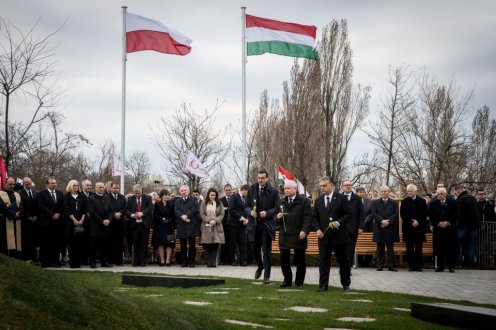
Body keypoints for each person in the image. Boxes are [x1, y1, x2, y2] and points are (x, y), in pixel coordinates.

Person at [313, 176, 352, 291]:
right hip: (324, 237)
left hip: (339, 237)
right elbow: (315, 217)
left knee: (343, 261)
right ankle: (323, 285)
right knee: (324, 261)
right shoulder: (318, 201)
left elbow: (348, 215)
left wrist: (338, 222)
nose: (322, 188)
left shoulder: (341, 198)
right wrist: (318, 229)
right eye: (321, 186)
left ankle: (346, 284)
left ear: (331, 185)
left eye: (324, 186)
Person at [276, 181, 312, 288]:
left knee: (300, 259)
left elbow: (308, 217)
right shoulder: (281, 202)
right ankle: (287, 281)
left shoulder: (304, 201)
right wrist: (277, 217)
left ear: (295, 189)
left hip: (298, 233)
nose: (286, 190)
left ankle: (299, 282)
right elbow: (275, 218)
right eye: (285, 189)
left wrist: (304, 230)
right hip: (285, 234)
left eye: (288, 188)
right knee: (284, 259)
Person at [247, 170, 278, 284]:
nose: (260, 180)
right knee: (254, 250)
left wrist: (267, 213)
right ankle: (260, 266)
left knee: (266, 251)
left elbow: (277, 208)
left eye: (263, 178)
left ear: (267, 178)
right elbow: (246, 206)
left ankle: (267, 276)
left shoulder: (273, 191)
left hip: (266, 225)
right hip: (254, 225)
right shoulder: (252, 189)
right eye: (259, 178)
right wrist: (250, 212)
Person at [37, 176, 65, 268]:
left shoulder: (60, 193)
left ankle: (55, 260)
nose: (54, 184)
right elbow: (41, 206)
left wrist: (58, 214)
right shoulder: (41, 194)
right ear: (47, 184)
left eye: (55, 183)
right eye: (52, 183)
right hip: (46, 222)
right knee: (45, 243)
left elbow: (62, 206)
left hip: (57, 223)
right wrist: (52, 214)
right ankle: (45, 261)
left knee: (56, 242)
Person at [400, 184, 428, 271]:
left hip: (419, 228)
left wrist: (418, 221)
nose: (409, 193)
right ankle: (411, 265)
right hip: (409, 228)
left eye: (410, 191)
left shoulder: (422, 201)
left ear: (415, 191)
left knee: (419, 248)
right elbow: (403, 214)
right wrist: (411, 222)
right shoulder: (404, 201)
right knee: (409, 248)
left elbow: (425, 213)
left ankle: (419, 266)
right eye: (408, 191)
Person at [429, 187, 457, 272]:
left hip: (449, 229)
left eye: (441, 194)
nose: (439, 196)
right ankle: (440, 267)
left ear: (445, 194)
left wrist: (448, 222)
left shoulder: (452, 202)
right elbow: (431, 215)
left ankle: (451, 266)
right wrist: (438, 223)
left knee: (450, 248)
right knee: (439, 248)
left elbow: (456, 214)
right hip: (438, 229)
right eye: (438, 194)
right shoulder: (433, 203)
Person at [372, 185, 399, 271]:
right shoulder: (375, 202)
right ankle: (380, 265)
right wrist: (382, 221)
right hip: (379, 227)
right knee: (380, 248)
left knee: (390, 248)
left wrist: (388, 222)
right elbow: (374, 213)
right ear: (380, 192)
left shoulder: (394, 202)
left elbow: (395, 214)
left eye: (385, 191)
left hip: (390, 227)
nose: (384, 193)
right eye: (382, 191)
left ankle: (391, 265)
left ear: (389, 192)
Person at [126, 184, 153, 267]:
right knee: (135, 243)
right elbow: (127, 210)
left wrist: (142, 213)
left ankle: (142, 261)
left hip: (144, 225)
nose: (137, 195)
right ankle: (135, 261)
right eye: (135, 193)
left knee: (143, 244)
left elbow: (150, 208)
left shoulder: (147, 198)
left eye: (138, 193)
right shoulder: (130, 199)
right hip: (134, 224)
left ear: (142, 191)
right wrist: (133, 215)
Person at [454, 186, 480, 269]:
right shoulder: (473, 199)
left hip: (461, 225)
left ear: (459, 191)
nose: (455, 193)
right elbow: (476, 212)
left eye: (456, 192)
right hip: (472, 225)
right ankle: (469, 264)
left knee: (458, 244)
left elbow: (457, 213)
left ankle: (459, 263)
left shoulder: (460, 199)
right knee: (470, 244)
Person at [87, 182, 113, 268]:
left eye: (103, 187)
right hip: (96, 225)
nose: (102, 189)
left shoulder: (108, 198)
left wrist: (108, 219)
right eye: (100, 187)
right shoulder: (91, 198)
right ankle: (92, 262)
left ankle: (104, 262)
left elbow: (112, 211)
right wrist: (102, 221)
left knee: (105, 245)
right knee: (94, 245)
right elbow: (92, 212)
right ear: (96, 188)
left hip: (106, 225)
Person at [174, 185, 200, 268]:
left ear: (188, 191)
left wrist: (187, 215)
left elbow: (195, 209)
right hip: (181, 225)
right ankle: (184, 261)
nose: (183, 192)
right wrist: (182, 216)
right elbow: (176, 210)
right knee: (183, 245)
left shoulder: (194, 199)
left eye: (185, 190)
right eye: (181, 190)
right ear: (180, 192)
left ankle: (191, 261)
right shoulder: (177, 201)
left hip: (191, 225)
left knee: (192, 245)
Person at [63, 180, 87, 268]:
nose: (76, 186)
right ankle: (72, 262)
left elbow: (85, 208)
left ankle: (78, 262)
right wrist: (74, 220)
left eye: (77, 185)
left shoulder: (82, 196)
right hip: (70, 222)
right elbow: (67, 209)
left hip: (81, 222)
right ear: (70, 186)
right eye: (74, 185)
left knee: (79, 243)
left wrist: (82, 219)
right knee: (71, 242)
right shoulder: (67, 196)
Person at [199, 188, 225, 267]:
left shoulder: (219, 203)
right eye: (211, 195)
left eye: (214, 195)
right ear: (208, 195)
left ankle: (213, 262)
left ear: (216, 195)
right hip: (207, 226)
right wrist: (209, 220)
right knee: (207, 245)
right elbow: (202, 214)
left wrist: (215, 220)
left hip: (216, 226)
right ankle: (209, 262)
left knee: (215, 245)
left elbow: (222, 214)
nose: (212, 196)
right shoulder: (204, 203)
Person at [341, 180, 364, 268]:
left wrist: (361, 227)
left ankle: (347, 268)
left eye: (350, 185)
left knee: (350, 249)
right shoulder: (338, 197)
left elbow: (362, 214)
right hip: (340, 228)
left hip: (353, 228)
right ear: (342, 186)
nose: (348, 186)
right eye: (346, 185)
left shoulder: (357, 198)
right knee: (342, 249)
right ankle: (343, 266)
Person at [227, 184, 250, 266]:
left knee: (242, 243)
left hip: (243, 225)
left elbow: (248, 209)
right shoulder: (234, 197)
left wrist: (247, 219)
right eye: (245, 191)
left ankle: (243, 260)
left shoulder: (247, 199)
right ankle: (232, 260)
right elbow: (231, 209)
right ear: (242, 190)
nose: (246, 193)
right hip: (233, 224)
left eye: (247, 191)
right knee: (232, 243)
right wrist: (242, 218)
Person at [0, 178, 23, 258]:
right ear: (5, 184)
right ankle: (6, 257)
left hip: (16, 221)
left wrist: (19, 213)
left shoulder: (17, 194)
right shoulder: (0, 194)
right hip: (4, 221)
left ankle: (16, 257)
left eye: (13, 184)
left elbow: (21, 206)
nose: (12, 186)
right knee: (5, 240)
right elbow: (2, 207)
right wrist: (13, 214)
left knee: (17, 240)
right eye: (10, 184)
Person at [152, 189, 175, 266]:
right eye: (165, 195)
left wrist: (169, 220)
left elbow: (173, 215)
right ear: (161, 196)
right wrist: (162, 219)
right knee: (160, 244)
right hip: (159, 227)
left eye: (168, 195)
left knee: (169, 244)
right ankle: (162, 260)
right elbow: (155, 215)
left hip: (169, 228)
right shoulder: (157, 205)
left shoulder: (171, 204)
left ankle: (168, 260)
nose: (167, 196)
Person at [19, 177, 37, 262]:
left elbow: (38, 206)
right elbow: (21, 207)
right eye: (27, 184)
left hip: (35, 220)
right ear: (23, 184)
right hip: (25, 221)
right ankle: (26, 257)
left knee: (34, 240)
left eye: (30, 183)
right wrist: (29, 217)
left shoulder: (35, 192)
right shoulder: (19, 193)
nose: (29, 185)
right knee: (26, 239)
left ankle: (34, 257)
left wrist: (36, 216)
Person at [108, 183, 127, 266]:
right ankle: (111, 259)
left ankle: (119, 260)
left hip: (120, 222)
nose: (116, 190)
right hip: (111, 222)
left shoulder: (122, 197)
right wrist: (114, 213)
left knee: (120, 242)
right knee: (111, 242)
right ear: (111, 188)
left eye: (117, 188)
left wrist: (120, 213)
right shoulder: (107, 197)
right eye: (114, 188)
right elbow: (107, 207)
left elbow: (125, 208)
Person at [355, 186, 373, 267]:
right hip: (357, 226)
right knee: (358, 243)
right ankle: (359, 262)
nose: (362, 193)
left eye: (363, 192)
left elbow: (373, 212)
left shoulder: (370, 201)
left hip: (368, 226)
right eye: (360, 192)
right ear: (356, 193)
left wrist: (366, 219)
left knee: (369, 243)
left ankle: (368, 262)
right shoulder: (353, 202)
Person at [219, 184, 232, 265]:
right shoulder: (221, 200)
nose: (228, 191)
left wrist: (227, 209)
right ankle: (223, 260)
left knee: (231, 242)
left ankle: (230, 260)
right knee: (223, 242)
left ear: (231, 190)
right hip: (223, 224)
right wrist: (223, 209)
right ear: (224, 190)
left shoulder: (234, 198)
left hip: (232, 224)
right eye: (226, 190)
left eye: (229, 190)